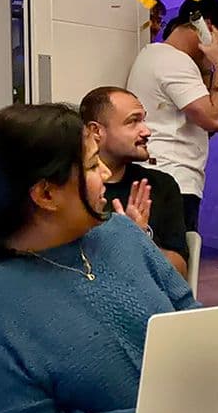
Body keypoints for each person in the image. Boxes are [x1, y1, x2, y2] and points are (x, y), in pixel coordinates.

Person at [0, 104, 196, 413]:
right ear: (46, 194)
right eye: (94, 165)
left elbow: (189, 313)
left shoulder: (121, 234)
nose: (108, 174)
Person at [126, 0, 218, 233]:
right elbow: (215, 119)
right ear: (206, 28)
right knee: (174, 265)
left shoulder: (152, 54)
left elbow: (205, 130)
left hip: (160, 176)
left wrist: (208, 68)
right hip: (173, 180)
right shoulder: (174, 62)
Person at [80, 86, 189, 278]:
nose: (146, 131)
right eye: (133, 121)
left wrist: (139, 240)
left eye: (143, 120)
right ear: (96, 131)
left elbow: (180, 273)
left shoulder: (160, 185)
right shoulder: (72, 188)